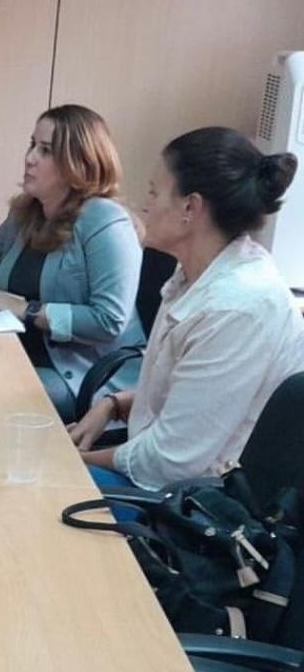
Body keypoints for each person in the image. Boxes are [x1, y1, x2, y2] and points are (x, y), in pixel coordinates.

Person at [70, 127, 304, 490]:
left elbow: (168, 462)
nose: (145, 204)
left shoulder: (239, 306)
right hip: (167, 473)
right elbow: (189, 392)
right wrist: (113, 404)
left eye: (153, 192)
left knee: (43, 486)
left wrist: (71, 460)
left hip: (202, 504)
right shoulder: (196, 274)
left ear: (190, 208)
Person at [0, 104, 145, 422]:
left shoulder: (105, 221)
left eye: (46, 150)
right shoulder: (29, 211)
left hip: (81, 375)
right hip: (19, 351)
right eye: (32, 145)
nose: (30, 157)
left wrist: (28, 309)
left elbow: (109, 320)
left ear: (80, 162)